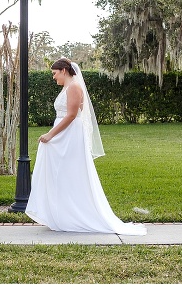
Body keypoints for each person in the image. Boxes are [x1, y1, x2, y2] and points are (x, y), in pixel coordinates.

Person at [25, 58, 146, 235]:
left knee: (70, 173)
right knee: (61, 174)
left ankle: (75, 215)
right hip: (64, 134)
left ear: (64, 71)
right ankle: (63, 214)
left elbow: (72, 115)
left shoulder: (74, 87)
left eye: (54, 73)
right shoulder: (68, 87)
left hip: (70, 135)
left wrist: (50, 134)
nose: (53, 77)